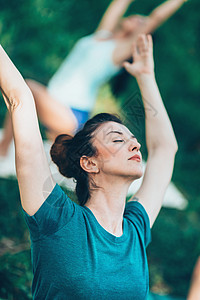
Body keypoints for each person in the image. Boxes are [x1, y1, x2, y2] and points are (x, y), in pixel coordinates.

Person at [0, 33, 178, 298]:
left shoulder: (136, 229)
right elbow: (21, 98)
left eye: (133, 139)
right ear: (89, 162)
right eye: (118, 139)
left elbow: (165, 150)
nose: (136, 145)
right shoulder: (56, 217)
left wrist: (145, 76)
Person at [0, 0, 187, 157]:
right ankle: (8, 147)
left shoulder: (119, 51)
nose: (136, 17)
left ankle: (3, 148)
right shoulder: (102, 36)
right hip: (56, 104)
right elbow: (119, 3)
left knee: (26, 88)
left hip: (71, 115)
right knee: (23, 95)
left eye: (141, 21)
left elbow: (156, 17)